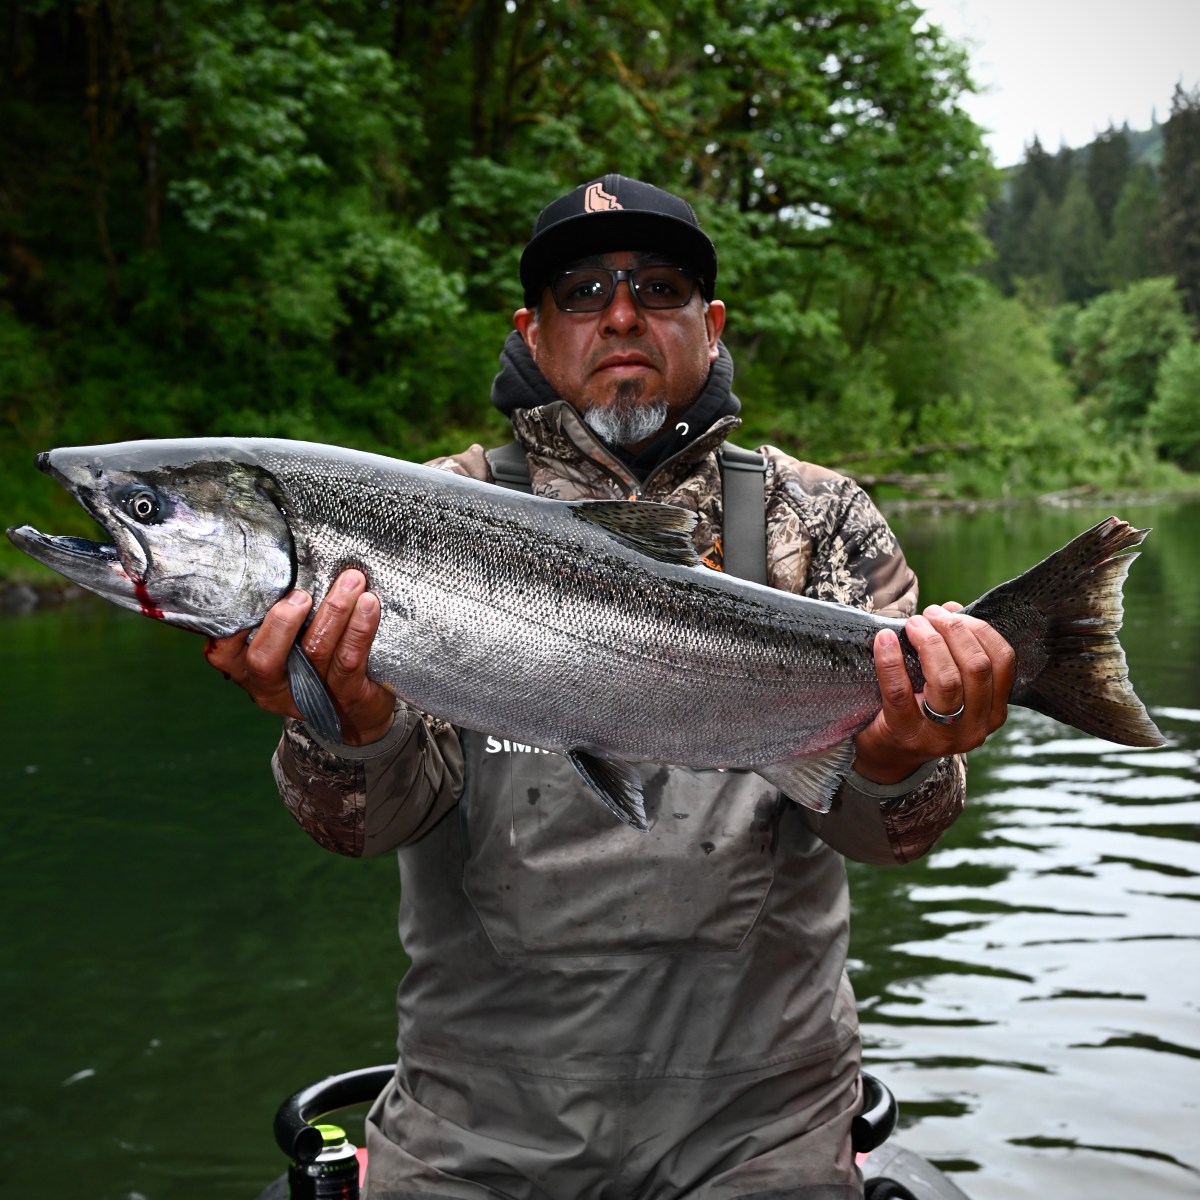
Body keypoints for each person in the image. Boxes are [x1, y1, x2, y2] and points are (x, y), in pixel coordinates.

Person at [206, 175, 1015, 1199]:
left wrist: (904, 750)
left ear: (710, 326)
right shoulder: (422, 515)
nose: (622, 314)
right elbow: (359, 826)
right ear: (533, 334)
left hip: (764, 1128)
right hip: (478, 1128)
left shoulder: (819, 519)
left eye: (660, 287)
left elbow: (901, 831)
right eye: (581, 292)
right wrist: (351, 726)